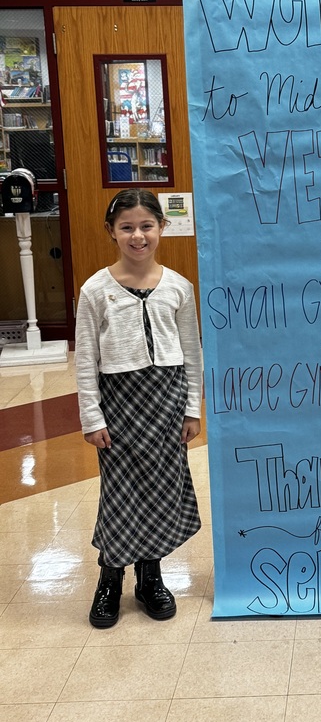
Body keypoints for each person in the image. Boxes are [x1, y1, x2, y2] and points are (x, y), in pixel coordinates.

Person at [75, 188, 203, 629]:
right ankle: (110, 579)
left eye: (146, 226)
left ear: (162, 228)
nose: (137, 236)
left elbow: (192, 353)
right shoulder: (95, 290)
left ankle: (150, 577)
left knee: (159, 492)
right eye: (127, 227)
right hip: (120, 407)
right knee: (120, 494)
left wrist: (191, 410)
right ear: (111, 232)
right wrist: (92, 417)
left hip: (166, 404)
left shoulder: (178, 288)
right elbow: (85, 358)